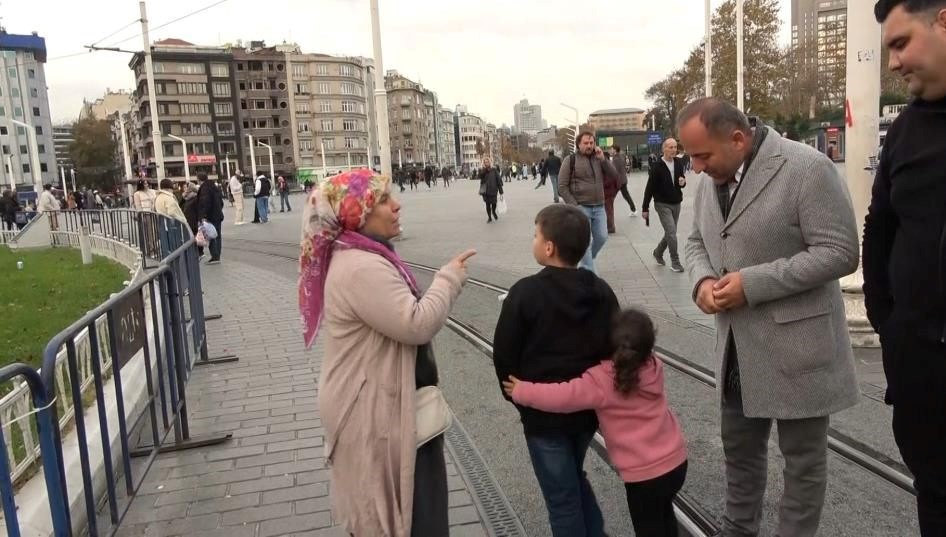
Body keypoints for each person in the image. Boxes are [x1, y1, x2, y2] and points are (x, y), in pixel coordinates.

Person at [680, 97, 859, 537]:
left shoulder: (807, 169)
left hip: (799, 350)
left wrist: (753, 284)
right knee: (739, 455)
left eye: (702, 155)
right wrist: (702, 282)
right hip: (737, 352)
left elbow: (841, 252)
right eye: (691, 157)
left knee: (802, 464)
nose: (696, 168)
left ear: (737, 139)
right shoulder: (708, 179)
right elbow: (694, 241)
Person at [300, 169, 475, 536]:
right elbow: (416, 323)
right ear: (355, 211)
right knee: (404, 517)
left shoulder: (363, 254)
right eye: (382, 200)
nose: (396, 206)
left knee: (407, 510)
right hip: (371, 410)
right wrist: (448, 278)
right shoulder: (361, 266)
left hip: (383, 403)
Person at [864, 1, 946, 534]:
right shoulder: (907, 130)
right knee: (935, 495)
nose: (892, 63)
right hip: (923, 368)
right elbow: (881, 224)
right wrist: (888, 323)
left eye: (900, 43)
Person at [504, 308, 688, 537]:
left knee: (649, 528)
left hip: (644, 476)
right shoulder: (653, 366)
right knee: (664, 517)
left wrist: (523, 391)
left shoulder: (601, 380)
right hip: (677, 463)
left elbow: (562, 396)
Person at [493, 203, 618, 537]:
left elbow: (504, 354)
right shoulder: (599, 290)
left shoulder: (524, 293)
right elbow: (614, 345)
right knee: (573, 476)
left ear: (548, 247)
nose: (533, 241)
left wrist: (521, 398)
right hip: (586, 412)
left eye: (535, 235)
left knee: (561, 497)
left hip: (542, 417)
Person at [558, 132, 619, 273]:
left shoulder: (599, 158)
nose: (589, 146)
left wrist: (604, 160)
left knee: (602, 237)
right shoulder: (570, 160)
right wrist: (574, 205)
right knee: (586, 242)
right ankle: (591, 277)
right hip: (581, 207)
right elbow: (561, 186)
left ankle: (586, 261)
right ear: (578, 144)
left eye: (591, 143)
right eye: (586, 143)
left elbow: (614, 175)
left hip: (599, 207)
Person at [642, 138, 687, 273]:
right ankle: (675, 261)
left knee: (670, 233)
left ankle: (658, 252)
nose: (674, 150)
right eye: (671, 147)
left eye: (675, 147)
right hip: (662, 204)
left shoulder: (678, 163)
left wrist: (683, 182)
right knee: (672, 233)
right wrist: (645, 208)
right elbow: (649, 188)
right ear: (664, 149)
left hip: (676, 202)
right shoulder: (657, 166)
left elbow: (682, 182)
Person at [197, 172, 225, 264]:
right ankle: (218, 255)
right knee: (218, 235)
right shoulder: (214, 187)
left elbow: (205, 203)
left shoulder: (205, 189)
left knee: (211, 235)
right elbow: (221, 202)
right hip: (218, 215)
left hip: (210, 216)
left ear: (199, 180)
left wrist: (204, 215)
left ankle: (215, 256)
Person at [603, 151, 627, 234]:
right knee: (609, 209)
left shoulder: (607, 167)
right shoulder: (609, 165)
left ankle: (610, 227)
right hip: (611, 191)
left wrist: (602, 185)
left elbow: (610, 179)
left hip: (608, 192)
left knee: (608, 209)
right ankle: (609, 226)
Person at [612, 146, 637, 216]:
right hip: (623, 180)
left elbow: (613, 170)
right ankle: (633, 209)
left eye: (611, 149)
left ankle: (606, 211)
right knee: (626, 195)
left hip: (619, 181)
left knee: (610, 196)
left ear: (615, 150)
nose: (610, 150)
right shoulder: (621, 156)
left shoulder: (616, 159)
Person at [478, 157, 503, 223]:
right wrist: (484, 170)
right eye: (485, 162)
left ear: (490, 162)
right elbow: (479, 176)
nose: (486, 163)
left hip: (493, 190)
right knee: (487, 204)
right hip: (486, 191)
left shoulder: (494, 170)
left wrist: (501, 192)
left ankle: (493, 211)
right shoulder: (482, 170)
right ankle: (489, 217)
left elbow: (498, 180)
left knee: (494, 203)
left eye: (487, 162)